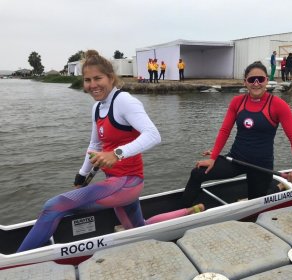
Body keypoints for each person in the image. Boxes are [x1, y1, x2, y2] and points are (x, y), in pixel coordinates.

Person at [17, 50, 204, 252]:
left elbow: (153, 135)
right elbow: (95, 145)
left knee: (54, 206)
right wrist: (81, 175)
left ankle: (16, 262)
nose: (92, 85)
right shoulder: (97, 107)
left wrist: (117, 154)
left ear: (111, 78)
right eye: (87, 80)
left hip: (128, 183)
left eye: (98, 78)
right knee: (139, 226)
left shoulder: (125, 101)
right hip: (115, 182)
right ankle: (191, 211)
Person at [181, 61, 292, 207]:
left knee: (256, 202)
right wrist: (213, 157)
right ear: (245, 82)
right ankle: (183, 211)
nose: (256, 83)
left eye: (261, 79)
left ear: (267, 81)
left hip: (261, 165)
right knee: (197, 173)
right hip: (236, 159)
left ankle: (277, 187)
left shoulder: (278, 105)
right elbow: (224, 131)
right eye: (252, 79)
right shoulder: (237, 102)